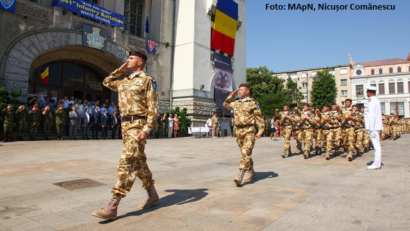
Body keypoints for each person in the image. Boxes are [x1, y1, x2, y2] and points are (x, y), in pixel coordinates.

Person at [92, 50, 159, 220]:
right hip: (125, 126)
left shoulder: (147, 80)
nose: (127, 61)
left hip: (138, 126)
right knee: (138, 162)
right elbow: (107, 82)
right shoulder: (124, 81)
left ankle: (113, 205)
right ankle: (153, 195)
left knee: (127, 162)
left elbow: (153, 108)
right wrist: (119, 70)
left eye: (130, 59)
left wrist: (146, 129)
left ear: (140, 62)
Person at [223, 83, 264, 187]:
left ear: (247, 91)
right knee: (245, 153)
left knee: (246, 152)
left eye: (241, 90)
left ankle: (240, 175)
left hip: (249, 130)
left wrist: (260, 131)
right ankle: (252, 171)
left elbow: (259, 117)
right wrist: (232, 95)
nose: (239, 91)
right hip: (238, 131)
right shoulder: (236, 102)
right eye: (239, 90)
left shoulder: (253, 103)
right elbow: (225, 104)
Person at [364, 86, 383, 170]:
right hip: (375, 126)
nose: (366, 94)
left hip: (373, 127)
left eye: (366, 92)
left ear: (368, 92)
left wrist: (371, 129)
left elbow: (372, 115)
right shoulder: (376, 100)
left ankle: (376, 163)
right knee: (377, 145)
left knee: (376, 146)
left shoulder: (371, 101)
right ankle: (377, 162)